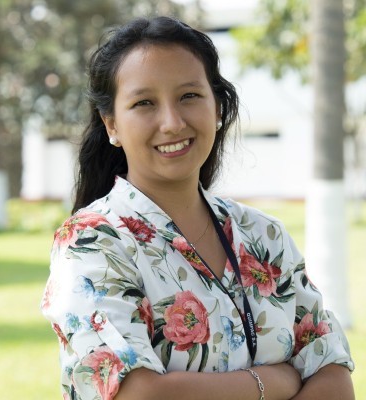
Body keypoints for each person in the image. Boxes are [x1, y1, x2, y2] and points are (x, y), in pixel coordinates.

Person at [41, 16, 355, 400]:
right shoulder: (92, 241)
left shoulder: (264, 236)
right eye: (144, 103)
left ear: (218, 107)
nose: (172, 123)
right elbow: (138, 394)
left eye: (189, 96)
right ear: (112, 126)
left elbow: (332, 372)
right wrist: (272, 382)